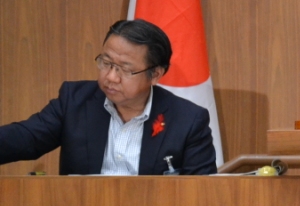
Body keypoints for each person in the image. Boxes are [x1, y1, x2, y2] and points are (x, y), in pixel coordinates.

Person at [0, 19, 217, 175]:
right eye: (106, 63)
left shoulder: (188, 120)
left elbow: (200, 194)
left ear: (155, 75)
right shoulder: (74, 101)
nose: (111, 77)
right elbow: (26, 138)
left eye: (125, 69)